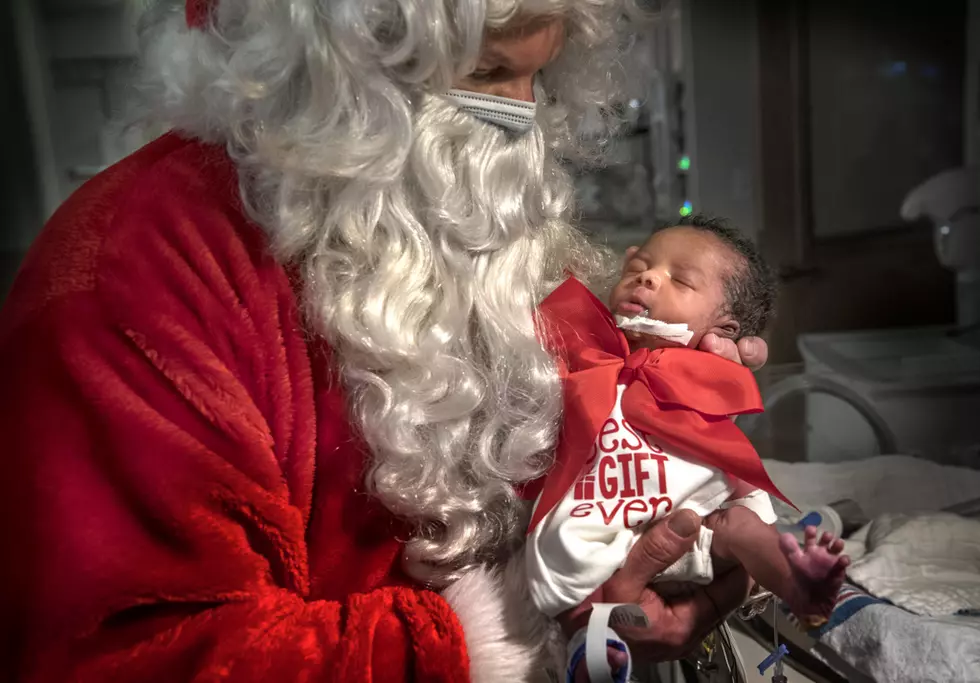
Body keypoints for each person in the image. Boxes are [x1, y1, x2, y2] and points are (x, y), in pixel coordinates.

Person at [0, 2, 771, 682]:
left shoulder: (460, 202)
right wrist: (468, 643)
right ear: (328, 65)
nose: (519, 126)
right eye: (489, 71)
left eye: (541, 79)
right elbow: (128, 654)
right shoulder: (129, 276)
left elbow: (562, 460)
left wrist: (670, 422)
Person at [525, 220, 849, 674]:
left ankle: (789, 573)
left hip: (692, 520)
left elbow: (724, 433)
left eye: (681, 280)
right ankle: (591, 649)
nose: (647, 277)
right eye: (638, 266)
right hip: (605, 519)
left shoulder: (703, 364)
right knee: (570, 569)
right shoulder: (588, 351)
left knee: (738, 522)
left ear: (722, 328)